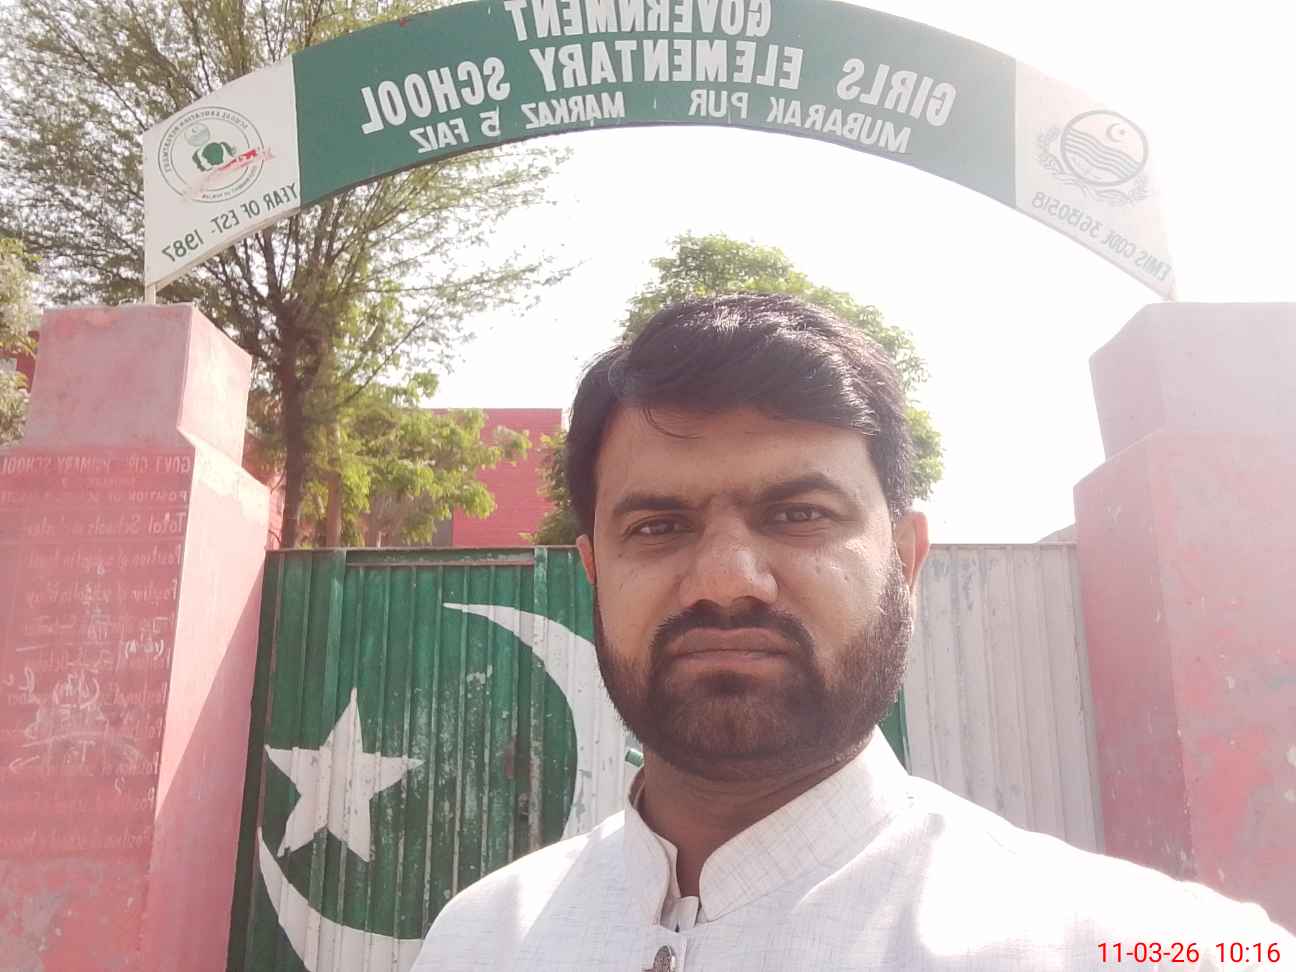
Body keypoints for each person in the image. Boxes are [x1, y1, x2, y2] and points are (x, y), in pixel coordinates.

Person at [413, 294, 1293, 970]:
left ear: (905, 558)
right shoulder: (480, 939)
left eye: (798, 513)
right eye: (659, 526)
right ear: (594, 572)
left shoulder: (1142, 946)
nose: (726, 580)